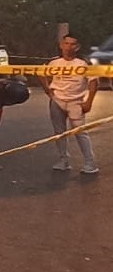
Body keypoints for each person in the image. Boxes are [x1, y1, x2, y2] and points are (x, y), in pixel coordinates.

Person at [40, 35, 99, 174]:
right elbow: (40, 73)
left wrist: (89, 101)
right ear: (61, 45)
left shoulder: (83, 63)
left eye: (72, 44)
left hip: (76, 101)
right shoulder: (54, 62)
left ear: (77, 47)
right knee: (59, 133)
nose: (68, 47)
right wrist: (48, 90)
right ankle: (63, 160)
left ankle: (90, 162)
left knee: (80, 132)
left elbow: (93, 82)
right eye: (66, 43)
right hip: (57, 100)